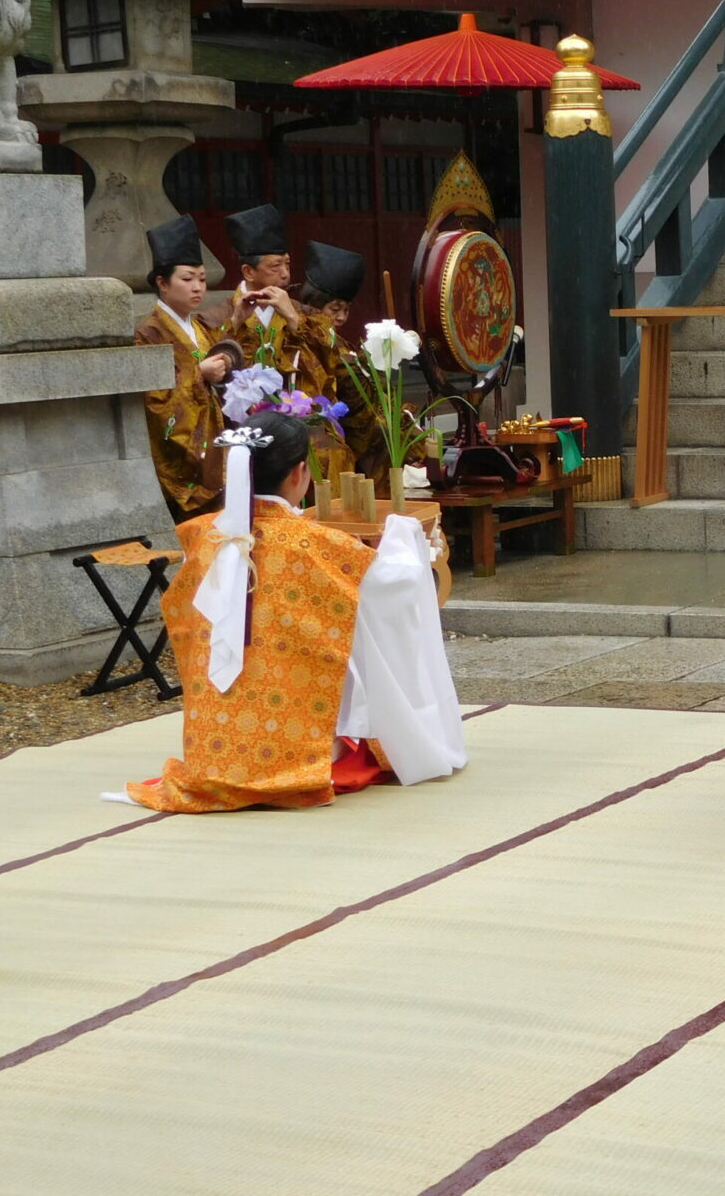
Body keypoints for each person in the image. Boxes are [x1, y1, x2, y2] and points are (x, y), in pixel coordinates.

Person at [109, 410, 463, 813]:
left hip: (212, 752)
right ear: (299, 474)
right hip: (296, 755)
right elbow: (396, 588)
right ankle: (296, 757)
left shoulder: (203, 535)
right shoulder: (318, 545)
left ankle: (227, 756)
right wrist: (409, 538)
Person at [135, 214, 246, 520]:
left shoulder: (199, 327)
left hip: (214, 443)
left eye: (201, 278)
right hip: (185, 458)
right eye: (187, 279)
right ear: (162, 283)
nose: (198, 287)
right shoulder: (149, 333)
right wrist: (200, 374)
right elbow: (155, 401)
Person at [294, 240, 389, 480]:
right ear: (314, 303)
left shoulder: (342, 345)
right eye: (334, 309)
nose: (341, 317)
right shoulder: (300, 336)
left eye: (346, 310)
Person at [202, 204, 311, 382]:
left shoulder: (305, 314)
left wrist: (293, 319)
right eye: (276, 266)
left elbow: (325, 366)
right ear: (248, 272)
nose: (285, 274)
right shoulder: (213, 317)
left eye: (287, 264)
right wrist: (235, 323)